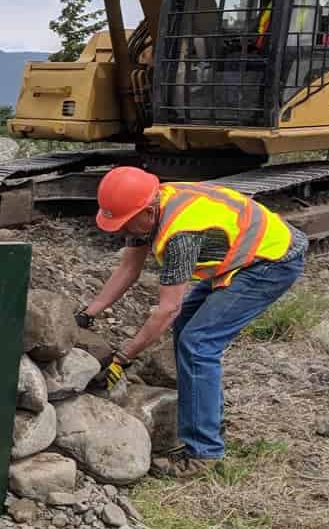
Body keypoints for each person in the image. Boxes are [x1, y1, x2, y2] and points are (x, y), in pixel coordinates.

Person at [74, 166, 308, 478]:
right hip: (245, 257)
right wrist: (90, 312)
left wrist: (124, 357)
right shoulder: (150, 210)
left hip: (271, 262)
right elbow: (128, 270)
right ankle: (207, 418)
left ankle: (204, 453)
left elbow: (167, 309)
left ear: (146, 211)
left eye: (125, 224)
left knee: (198, 344)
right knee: (188, 329)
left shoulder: (180, 235)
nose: (122, 232)